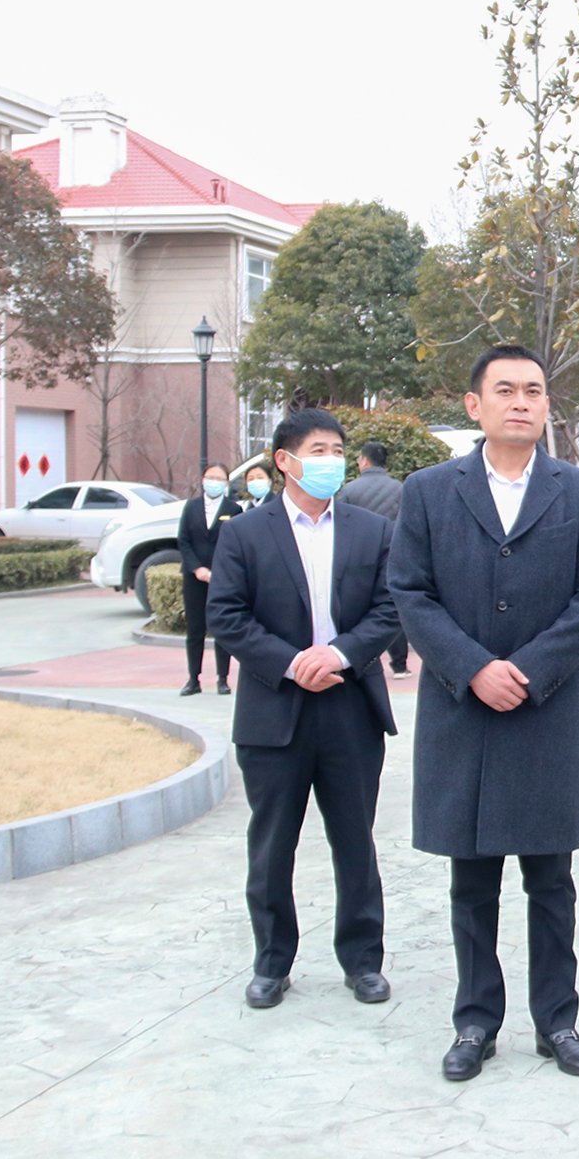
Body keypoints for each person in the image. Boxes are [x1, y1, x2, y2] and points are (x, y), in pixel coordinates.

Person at [389, 344, 579, 1082]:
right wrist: (472, 668)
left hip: (546, 709)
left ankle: (558, 1020)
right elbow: (410, 590)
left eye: (534, 390)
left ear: (547, 405)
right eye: (505, 390)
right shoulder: (429, 491)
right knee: (472, 882)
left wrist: (528, 669)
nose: (521, 402)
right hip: (463, 709)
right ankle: (475, 1021)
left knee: (551, 880)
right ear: (474, 404)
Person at [206, 408, 401, 1011]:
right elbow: (227, 616)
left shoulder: (372, 531)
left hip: (350, 706)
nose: (331, 461)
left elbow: (392, 607)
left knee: (355, 842)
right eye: (318, 451)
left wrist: (338, 655)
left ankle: (363, 962)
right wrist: (294, 663)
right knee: (271, 846)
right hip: (275, 711)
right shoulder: (244, 533)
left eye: (337, 451)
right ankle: (272, 963)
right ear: (284, 461)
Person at [337, 441, 411, 677]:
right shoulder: (400, 488)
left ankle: (354, 656)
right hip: (393, 554)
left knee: (356, 608)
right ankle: (399, 664)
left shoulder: (349, 490)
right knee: (391, 607)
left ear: (365, 461)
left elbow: (340, 525)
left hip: (356, 557)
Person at [176, 463, 241, 697]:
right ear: (203, 479)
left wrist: (218, 571)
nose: (214, 482)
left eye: (219, 478)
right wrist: (196, 568)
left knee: (221, 628)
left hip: (222, 578)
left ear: (226, 483)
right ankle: (193, 679)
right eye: (210, 477)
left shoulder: (234, 509)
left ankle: (222, 679)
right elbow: (183, 540)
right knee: (195, 629)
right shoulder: (191, 507)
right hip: (195, 577)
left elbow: (236, 544)